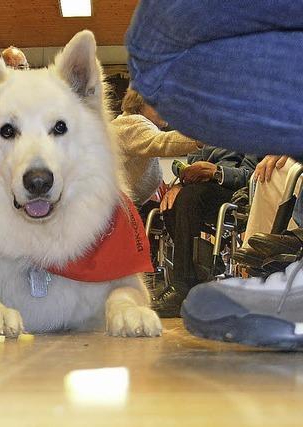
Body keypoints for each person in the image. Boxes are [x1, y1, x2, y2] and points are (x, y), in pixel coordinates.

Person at [126, 0, 303, 348]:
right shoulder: (202, 140)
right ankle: (182, 279)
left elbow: (247, 172)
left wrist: (217, 172)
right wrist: (182, 177)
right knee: (155, 47)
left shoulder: (249, 140)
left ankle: (184, 282)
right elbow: (188, 159)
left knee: (158, 48)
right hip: (202, 193)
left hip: (229, 191)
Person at [151, 147, 258, 317]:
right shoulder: (204, 134)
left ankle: (182, 285)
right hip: (197, 191)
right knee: (170, 205)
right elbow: (190, 168)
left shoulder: (248, 129)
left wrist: (216, 173)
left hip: (232, 190)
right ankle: (197, 280)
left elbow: (251, 175)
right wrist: (181, 182)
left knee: (189, 198)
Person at [112, 88, 200, 219]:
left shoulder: (134, 124)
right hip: (117, 209)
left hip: (123, 205)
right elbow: (163, 142)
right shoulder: (131, 124)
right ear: (140, 103)